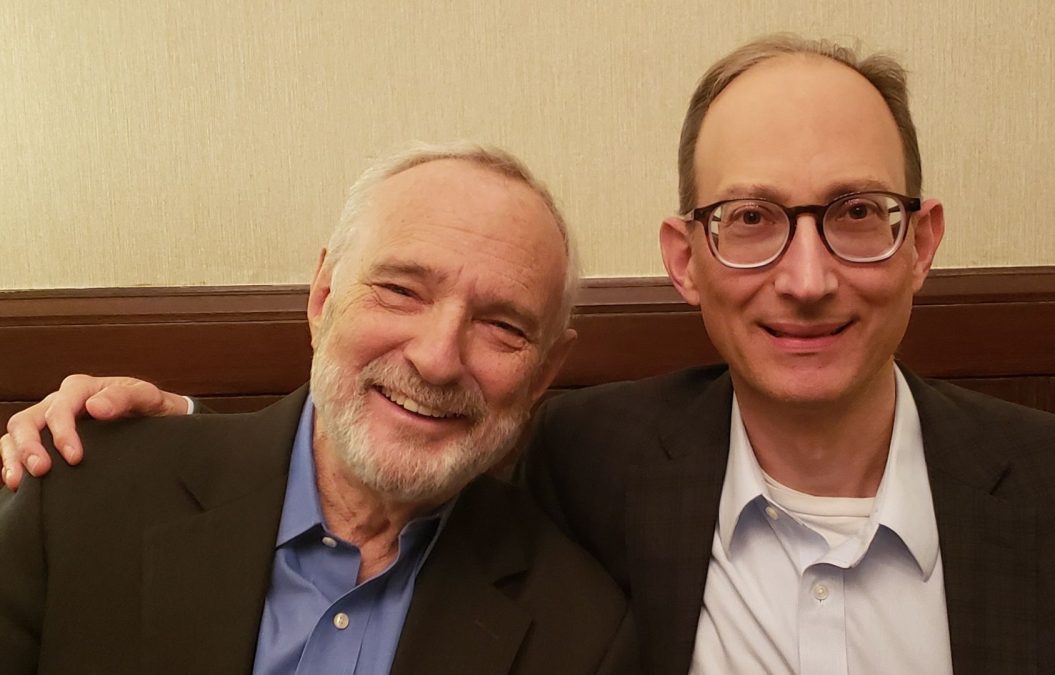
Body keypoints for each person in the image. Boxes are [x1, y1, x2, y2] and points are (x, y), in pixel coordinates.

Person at [5, 34, 1055, 674]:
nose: (805, 274)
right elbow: (387, 431)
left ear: (921, 239)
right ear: (684, 259)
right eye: (749, 218)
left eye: (857, 212)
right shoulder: (587, 459)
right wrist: (150, 436)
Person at [0, 144, 636, 674]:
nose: (438, 360)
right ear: (323, 296)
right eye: (400, 290)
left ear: (544, 373)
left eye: (502, 326)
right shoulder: (85, 497)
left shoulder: (581, 633)